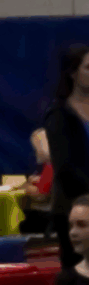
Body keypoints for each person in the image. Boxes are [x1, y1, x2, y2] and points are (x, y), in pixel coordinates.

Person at [44, 45, 89, 267]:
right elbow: (66, 169)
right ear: (73, 73)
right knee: (78, 269)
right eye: (88, 68)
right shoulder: (59, 114)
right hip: (73, 207)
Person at [18, 128, 54, 235]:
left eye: (36, 149)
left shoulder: (50, 166)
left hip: (48, 216)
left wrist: (26, 187)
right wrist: (39, 179)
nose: (35, 152)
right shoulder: (56, 163)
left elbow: (40, 194)